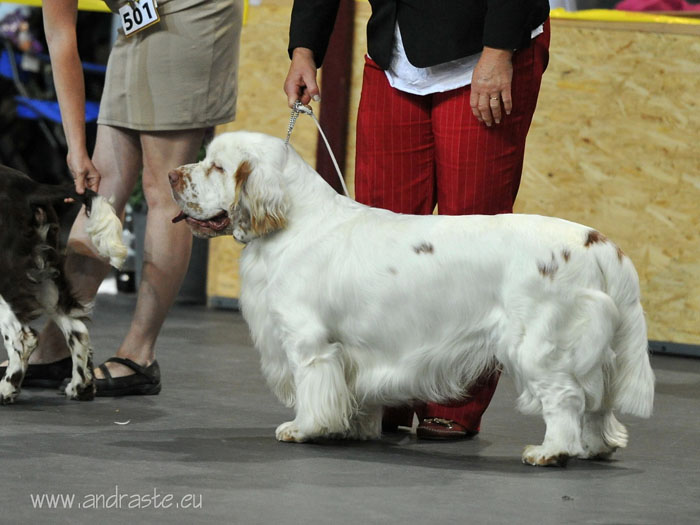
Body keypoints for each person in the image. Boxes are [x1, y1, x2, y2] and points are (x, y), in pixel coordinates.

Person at [284, 0, 550, 439]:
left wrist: (500, 50)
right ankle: (384, 394)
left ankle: (454, 403)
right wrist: (304, 48)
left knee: (470, 240)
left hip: (481, 49)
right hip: (394, 55)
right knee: (381, 243)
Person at [0, 0, 242, 396]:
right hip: (138, 15)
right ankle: (56, 349)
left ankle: (139, 355)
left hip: (191, 9)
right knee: (103, 182)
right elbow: (61, 39)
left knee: (163, 185)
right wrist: (76, 149)